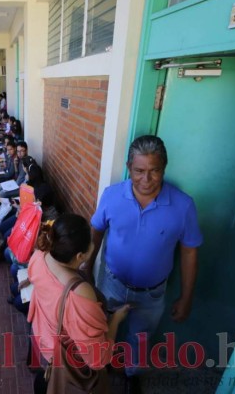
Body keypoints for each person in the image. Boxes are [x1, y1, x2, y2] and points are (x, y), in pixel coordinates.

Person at [87, 135, 203, 391]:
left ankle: (131, 376)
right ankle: (100, 369)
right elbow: (95, 232)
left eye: (155, 171)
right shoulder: (112, 195)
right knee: (102, 329)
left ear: (164, 168)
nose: (146, 179)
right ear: (129, 168)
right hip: (111, 284)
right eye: (139, 171)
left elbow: (189, 253)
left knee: (140, 339)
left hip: (152, 293)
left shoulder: (183, 206)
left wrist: (186, 297)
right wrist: (86, 271)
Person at [27, 214, 130, 393]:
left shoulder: (39, 256)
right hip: (65, 360)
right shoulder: (79, 294)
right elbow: (97, 359)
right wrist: (116, 320)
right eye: (91, 242)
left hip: (44, 337)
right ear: (80, 256)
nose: (93, 245)